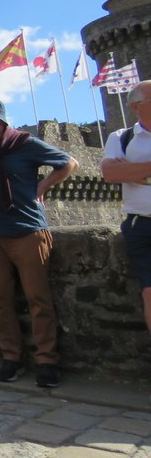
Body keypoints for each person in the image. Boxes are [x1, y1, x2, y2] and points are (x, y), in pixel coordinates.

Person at [0, 97, 78, 389]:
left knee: (38, 299)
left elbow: (68, 163)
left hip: (27, 231)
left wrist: (40, 188)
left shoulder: (26, 144)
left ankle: (47, 361)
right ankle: (11, 357)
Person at [100, 81, 151, 339]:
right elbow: (110, 172)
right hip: (142, 226)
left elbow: (123, 172)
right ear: (136, 107)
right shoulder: (121, 137)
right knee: (150, 293)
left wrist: (135, 172)